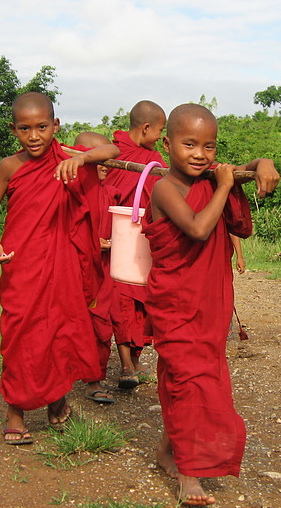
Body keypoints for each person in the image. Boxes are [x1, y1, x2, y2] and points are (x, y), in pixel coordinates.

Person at [142, 103, 279, 505]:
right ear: (167, 144)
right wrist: (222, 185)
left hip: (208, 303)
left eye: (209, 146)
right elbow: (200, 229)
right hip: (175, 303)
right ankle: (191, 473)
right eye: (189, 144)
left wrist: (262, 161)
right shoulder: (165, 188)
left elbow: (244, 186)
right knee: (189, 380)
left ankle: (169, 449)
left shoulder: (210, 177)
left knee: (188, 379)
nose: (200, 154)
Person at [0, 92, 119, 445]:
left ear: (56, 126)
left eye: (42, 127)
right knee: (20, 336)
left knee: (60, 331)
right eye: (25, 129)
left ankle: (57, 398)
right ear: (14, 130)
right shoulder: (10, 166)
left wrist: (82, 158)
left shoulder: (68, 157)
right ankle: (15, 410)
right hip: (22, 264)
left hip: (62, 264)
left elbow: (114, 151)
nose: (35, 136)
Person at [103, 100, 168, 389]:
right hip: (117, 240)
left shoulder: (155, 161)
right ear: (146, 127)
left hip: (145, 240)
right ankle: (126, 364)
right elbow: (103, 194)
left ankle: (137, 358)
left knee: (144, 301)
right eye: (159, 130)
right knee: (121, 301)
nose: (160, 137)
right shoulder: (114, 154)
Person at [71, 131, 120, 405]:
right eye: (94, 159)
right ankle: (60, 380)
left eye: (103, 159)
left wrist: (111, 243)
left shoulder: (111, 193)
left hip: (103, 270)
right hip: (73, 268)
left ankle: (95, 379)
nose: (102, 166)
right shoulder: (67, 188)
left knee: (100, 323)